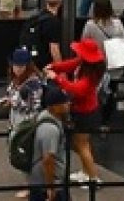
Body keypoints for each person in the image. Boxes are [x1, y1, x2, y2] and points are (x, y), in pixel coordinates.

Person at [45, 38, 106, 185]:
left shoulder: (89, 77)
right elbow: (69, 64)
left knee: (82, 146)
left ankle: (93, 178)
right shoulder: (86, 64)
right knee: (83, 144)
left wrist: (57, 78)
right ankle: (86, 173)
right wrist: (54, 66)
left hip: (85, 113)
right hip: (86, 111)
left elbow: (76, 89)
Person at [27, 84, 72, 201]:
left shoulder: (45, 116)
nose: (68, 104)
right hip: (47, 185)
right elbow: (48, 159)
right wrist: (50, 187)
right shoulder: (50, 129)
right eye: (64, 102)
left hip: (43, 183)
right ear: (54, 107)